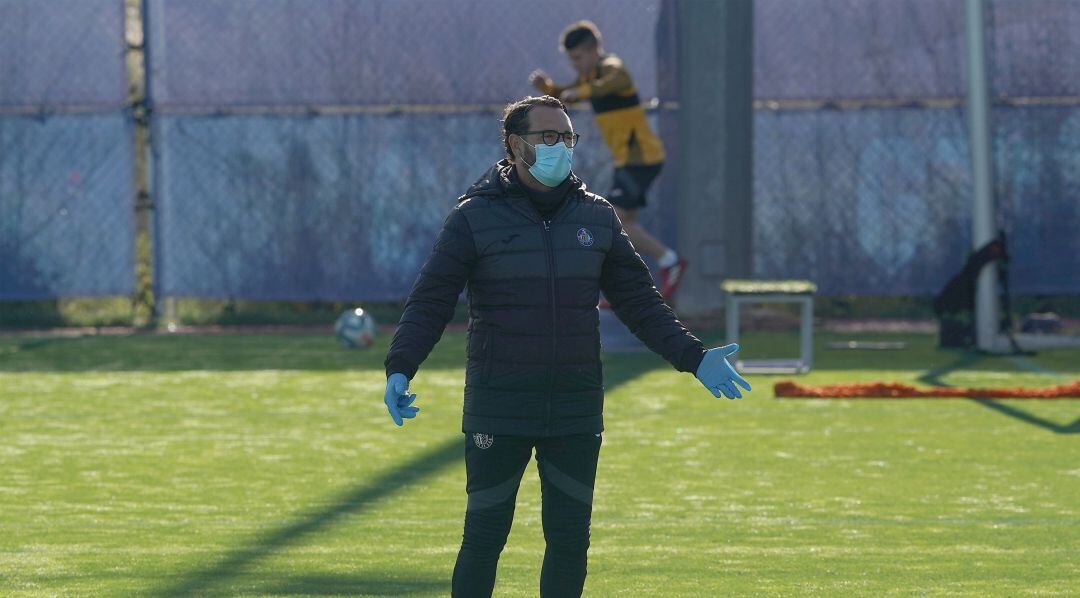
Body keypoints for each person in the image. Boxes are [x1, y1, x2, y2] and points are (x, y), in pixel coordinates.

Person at [383, 96, 750, 598]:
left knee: (570, 541)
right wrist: (401, 365)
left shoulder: (597, 218)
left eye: (568, 137)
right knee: (485, 536)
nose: (562, 147)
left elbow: (640, 302)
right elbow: (431, 299)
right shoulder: (473, 218)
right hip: (500, 404)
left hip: (575, 406)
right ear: (515, 146)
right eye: (549, 137)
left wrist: (693, 356)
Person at [529, 19, 687, 300]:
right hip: (628, 160)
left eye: (578, 58)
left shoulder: (612, 68)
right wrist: (549, 88)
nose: (575, 65)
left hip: (641, 158)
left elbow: (615, 81)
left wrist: (582, 91)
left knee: (613, 217)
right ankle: (630, 290)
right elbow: (568, 95)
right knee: (623, 229)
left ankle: (670, 261)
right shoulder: (588, 78)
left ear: (594, 50)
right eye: (571, 60)